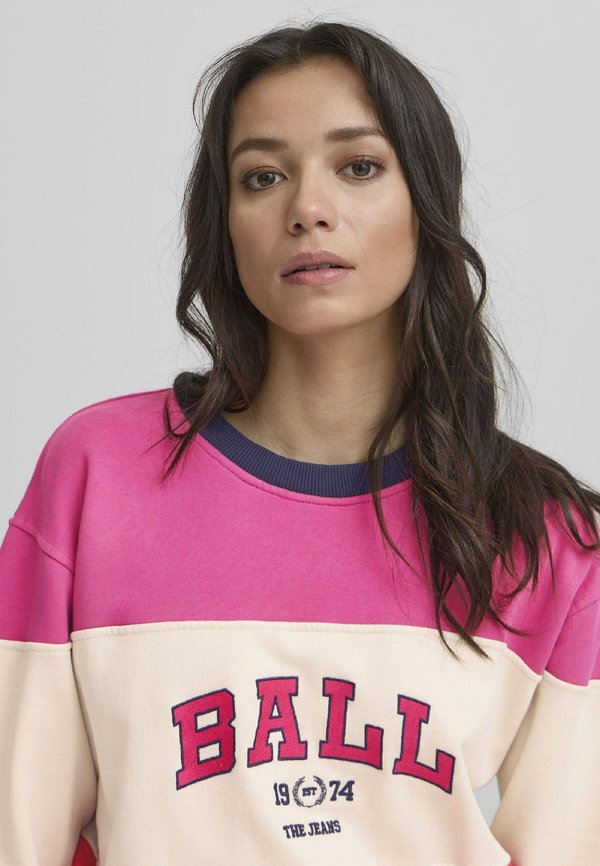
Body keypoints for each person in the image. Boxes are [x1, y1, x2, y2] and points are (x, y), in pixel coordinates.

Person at [1, 18, 598, 866]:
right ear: (226, 222)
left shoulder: (544, 537)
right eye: (263, 177)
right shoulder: (97, 476)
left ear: (426, 203)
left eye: (359, 167)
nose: (308, 209)